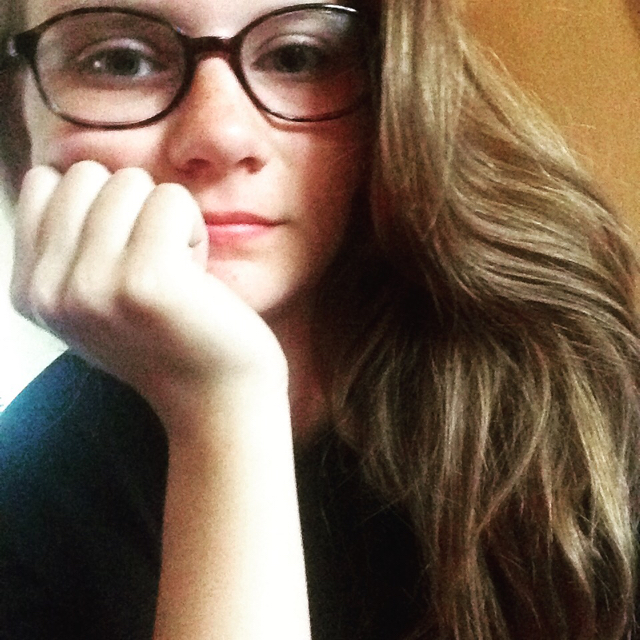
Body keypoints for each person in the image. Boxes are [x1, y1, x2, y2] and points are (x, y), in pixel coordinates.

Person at [0, 0, 639, 639]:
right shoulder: (24, 493)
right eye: (120, 62)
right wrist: (221, 401)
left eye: (297, 57)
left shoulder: (587, 391)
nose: (223, 138)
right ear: (19, 106)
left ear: (393, 84)